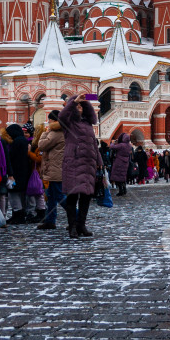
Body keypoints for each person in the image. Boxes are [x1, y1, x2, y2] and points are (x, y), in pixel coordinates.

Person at [59, 94, 102, 238]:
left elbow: (94, 144)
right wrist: (73, 102)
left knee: (86, 197)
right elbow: (62, 116)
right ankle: (72, 227)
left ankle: (81, 225)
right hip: (74, 162)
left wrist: (100, 162)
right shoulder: (69, 123)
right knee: (72, 197)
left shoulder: (88, 124)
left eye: (81, 106)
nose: (79, 108)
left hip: (88, 163)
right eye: (77, 105)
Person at [37, 110, 66, 230]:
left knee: (58, 195)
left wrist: (45, 133)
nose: (48, 122)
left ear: (53, 120)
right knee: (52, 196)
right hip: (58, 168)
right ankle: (50, 220)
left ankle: (76, 216)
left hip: (55, 169)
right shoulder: (65, 131)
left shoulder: (55, 133)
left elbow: (42, 146)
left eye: (49, 119)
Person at [5, 123, 30, 224]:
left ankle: (18, 213)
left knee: (13, 192)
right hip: (23, 170)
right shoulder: (23, 140)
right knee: (20, 193)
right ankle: (20, 213)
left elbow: (11, 155)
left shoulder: (17, 141)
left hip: (16, 171)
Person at [26, 125, 46, 223]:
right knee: (37, 193)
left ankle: (41, 212)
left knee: (39, 193)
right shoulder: (37, 145)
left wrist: (29, 153)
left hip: (39, 172)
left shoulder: (40, 146)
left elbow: (39, 159)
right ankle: (38, 212)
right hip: (36, 171)